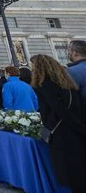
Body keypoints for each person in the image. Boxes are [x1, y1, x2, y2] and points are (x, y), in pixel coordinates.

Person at [30, 54, 86, 193]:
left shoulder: (44, 84)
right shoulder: (68, 82)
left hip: (61, 133)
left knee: (70, 173)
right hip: (76, 131)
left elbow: (58, 108)